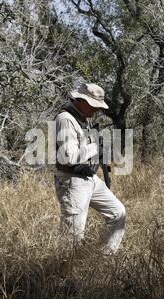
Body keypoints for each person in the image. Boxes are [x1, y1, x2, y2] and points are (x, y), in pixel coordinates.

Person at [54, 83, 126, 256]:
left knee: (118, 213)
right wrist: (96, 147)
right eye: (93, 105)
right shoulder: (66, 119)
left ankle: (103, 259)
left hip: (89, 177)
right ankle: (62, 277)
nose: (96, 110)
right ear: (80, 100)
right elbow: (69, 157)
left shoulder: (82, 117)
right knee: (72, 237)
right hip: (72, 180)